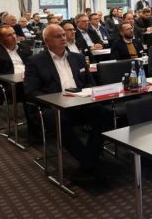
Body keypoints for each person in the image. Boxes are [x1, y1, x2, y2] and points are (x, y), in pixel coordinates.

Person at [24, 24, 112, 185]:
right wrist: (55, 100)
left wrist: (84, 93)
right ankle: (89, 162)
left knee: (105, 114)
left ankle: (88, 163)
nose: (63, 38)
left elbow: (90, 82)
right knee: (59, 121)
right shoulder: (36, 61)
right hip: (53, 107)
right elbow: (31, 91)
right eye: (58, 36)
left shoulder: (77, 57)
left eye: (64, 35)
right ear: (47, 41)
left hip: (80, 102)